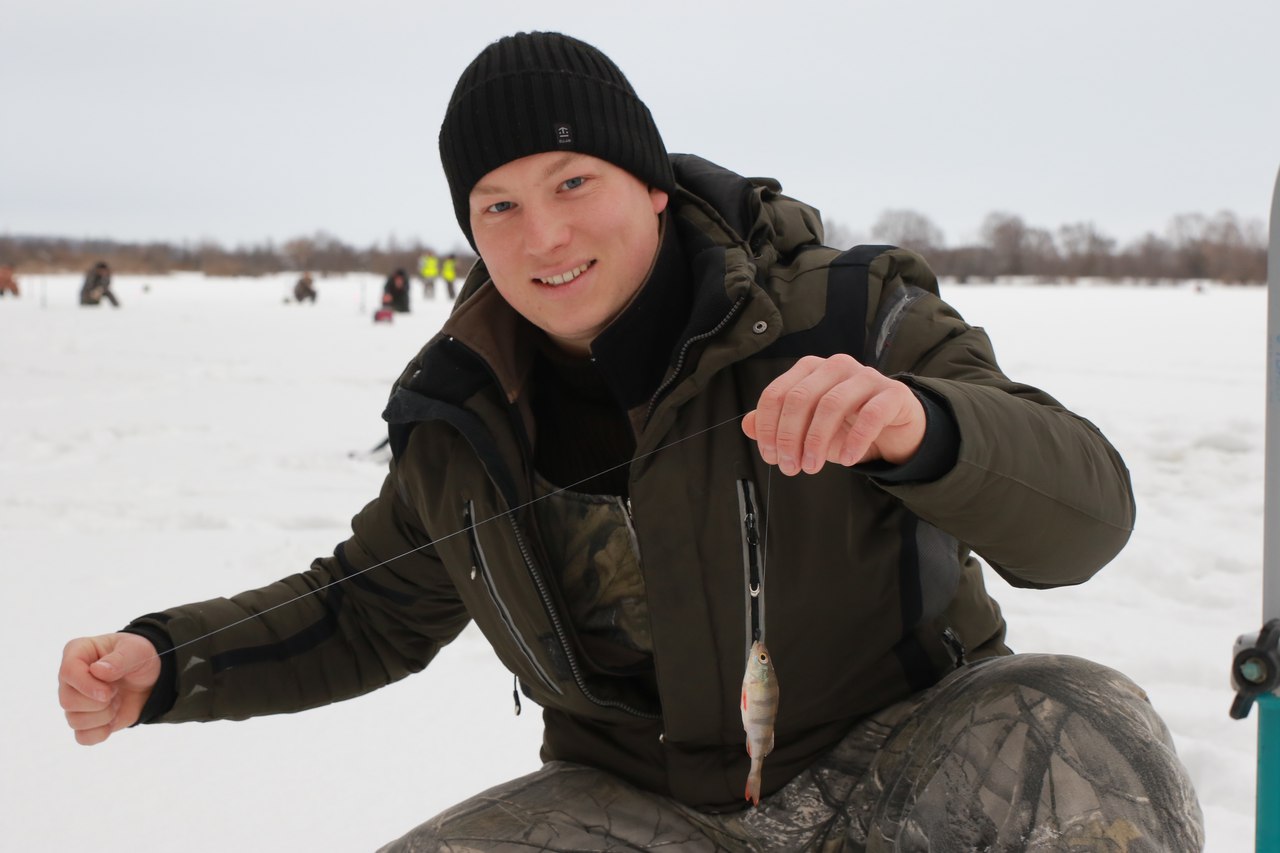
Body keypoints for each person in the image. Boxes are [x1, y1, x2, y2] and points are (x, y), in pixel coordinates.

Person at [58, 32, 1203, 851]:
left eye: (571, 180)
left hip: (912, 750)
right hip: (646, 808)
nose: (542, 233)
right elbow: (367, 605)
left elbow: (1087, 516)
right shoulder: (463, 413)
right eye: (496, 205)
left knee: (1076, 720)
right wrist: (168, 663)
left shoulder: (847, 314)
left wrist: (922, 427)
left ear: (650, 185)